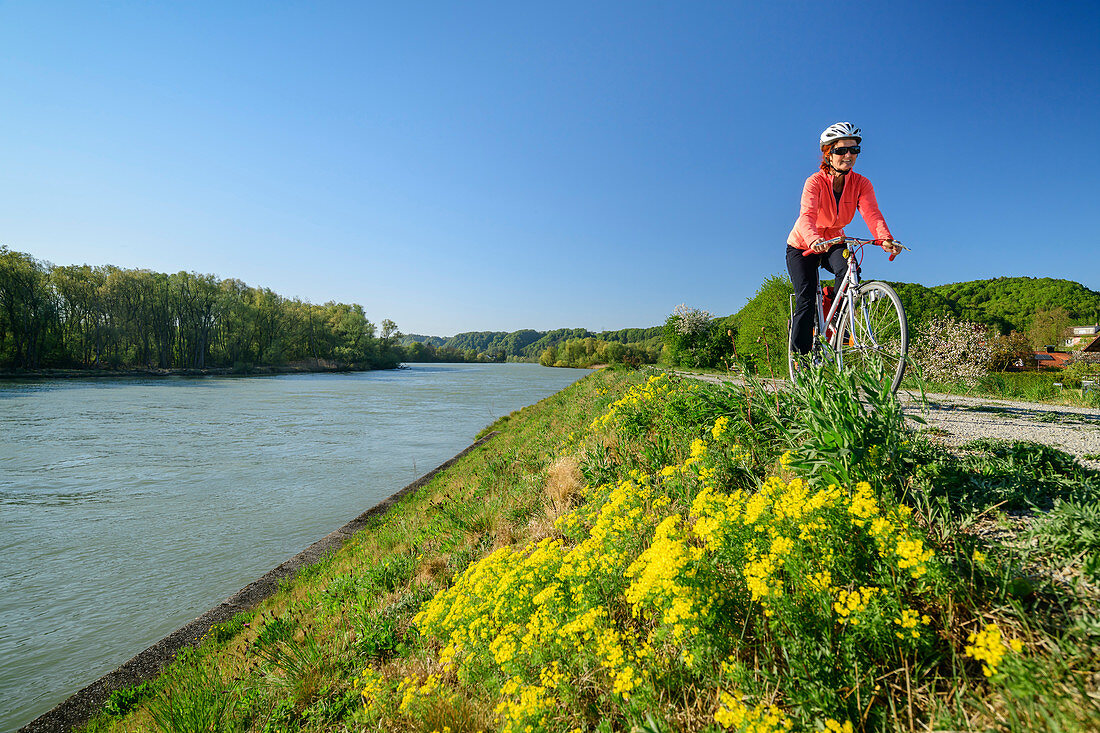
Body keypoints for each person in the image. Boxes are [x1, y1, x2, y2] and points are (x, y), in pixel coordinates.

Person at [786, 122, 902, 355]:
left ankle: (838, 322)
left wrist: (884, 238)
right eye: (841, 150)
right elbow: (807, 215)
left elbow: (872, 213)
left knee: (850, 269)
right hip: (803, 245)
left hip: (834, 240)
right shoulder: (815, 182)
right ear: (828, 153)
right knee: (806, 298)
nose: (848, 155)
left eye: (854, 150)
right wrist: (813, 240)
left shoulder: (862, 184)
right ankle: (801, 356)